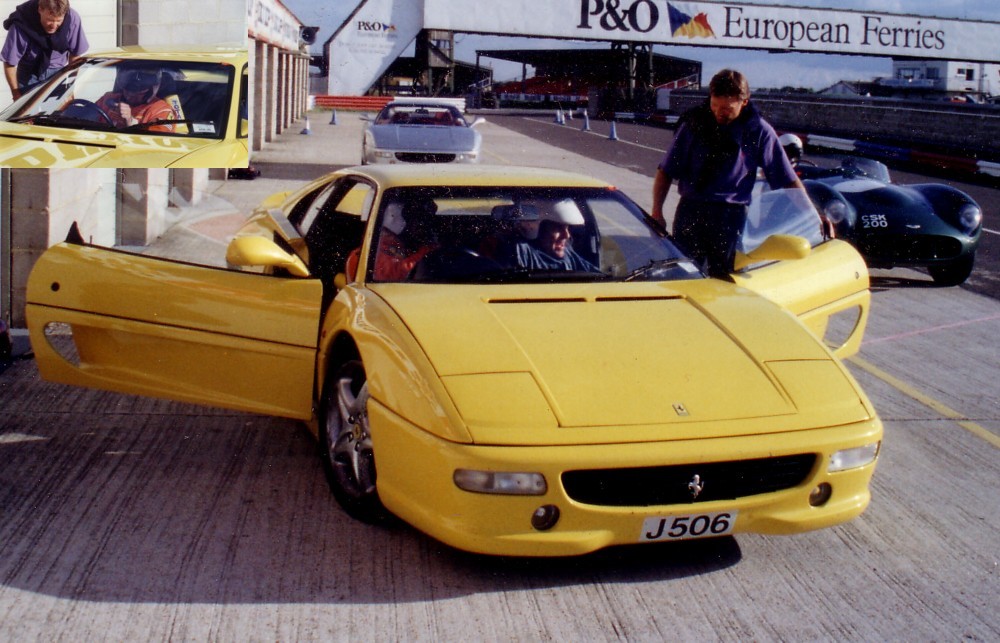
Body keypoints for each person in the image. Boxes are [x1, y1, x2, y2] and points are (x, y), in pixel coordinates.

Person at [651, 69, 804, 277]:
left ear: (744, 102)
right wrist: (657, 212)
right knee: (683, 276)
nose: (718, 112)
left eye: (726, 108)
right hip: (691, 212)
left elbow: (788, 179)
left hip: (730, 218)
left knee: (728, 278)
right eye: (714, 105)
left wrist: (812, 214)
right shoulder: (693, 125)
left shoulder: (759, 131)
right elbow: (665, 171)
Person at [2, 0, 88, 99]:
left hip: (59, 73)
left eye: (59, 21)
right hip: (28, 74)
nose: (54, 25)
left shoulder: (72, 18)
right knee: (30, 114)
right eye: (50, 20)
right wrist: (15, 93)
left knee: (59, 113)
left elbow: (75, 56)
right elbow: (9, 62)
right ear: (40, 9)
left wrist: (70, 87)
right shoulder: (21, 23)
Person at [513, 199, 598, 272]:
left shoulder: (567, 254)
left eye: (567, 228)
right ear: (537, 228)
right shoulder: (521, 253)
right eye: (558, 228)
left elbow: (594, 273)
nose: (567, 235)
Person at [96, 67, 177, 132]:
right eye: (127, 90)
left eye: (137, 92)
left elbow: (156, 143)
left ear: (151, 90)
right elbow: (87, 115)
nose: (130, 95)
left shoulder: (162, 111)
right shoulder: (109, 98)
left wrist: (130, 121)